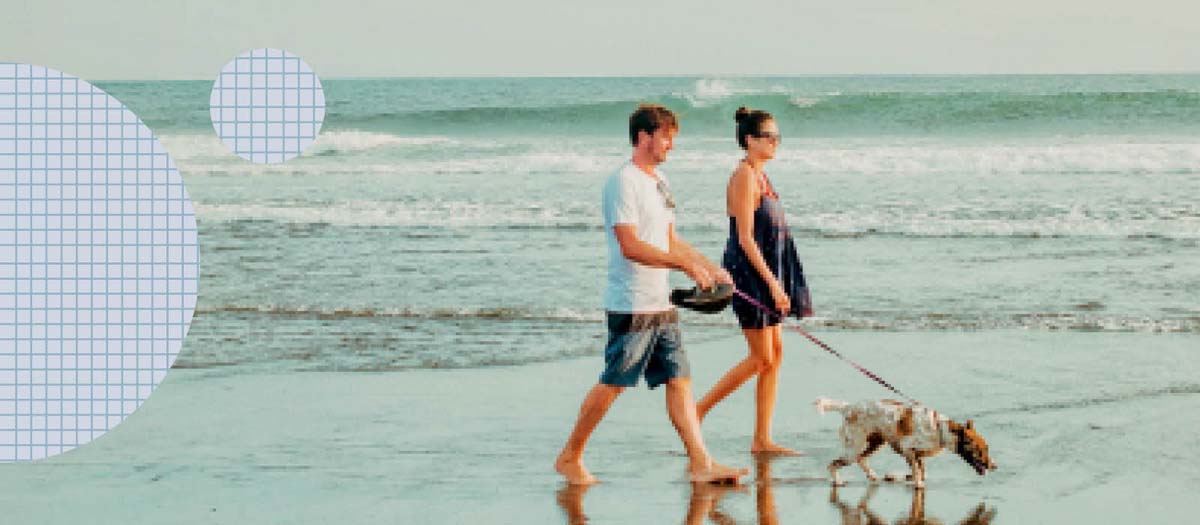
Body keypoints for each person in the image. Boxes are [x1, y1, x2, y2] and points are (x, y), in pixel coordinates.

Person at [554, 104, 749, 486]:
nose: (671, 145)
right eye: (666, 137)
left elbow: (670, 240)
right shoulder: (623, 182)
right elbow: (629, 244)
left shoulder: (659, 182)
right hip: (632, 302)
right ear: (644, 136)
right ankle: (570, 456)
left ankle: (701, 463)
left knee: (680, 380)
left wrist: (708, 266)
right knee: (614, 382)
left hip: (661, 302)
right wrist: (684, 268)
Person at [696, 107, 813, 455]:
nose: (775, 142)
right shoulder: (745, 175)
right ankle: (695, 412)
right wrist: (774, 285)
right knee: (760, 357)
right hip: (748, 273)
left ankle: (762, 439)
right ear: (749, 140)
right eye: (768, 136)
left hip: (766, 272)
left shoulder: (762, 176)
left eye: (778, 136)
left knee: (775, 355)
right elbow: (746, 238)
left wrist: (781, 280)